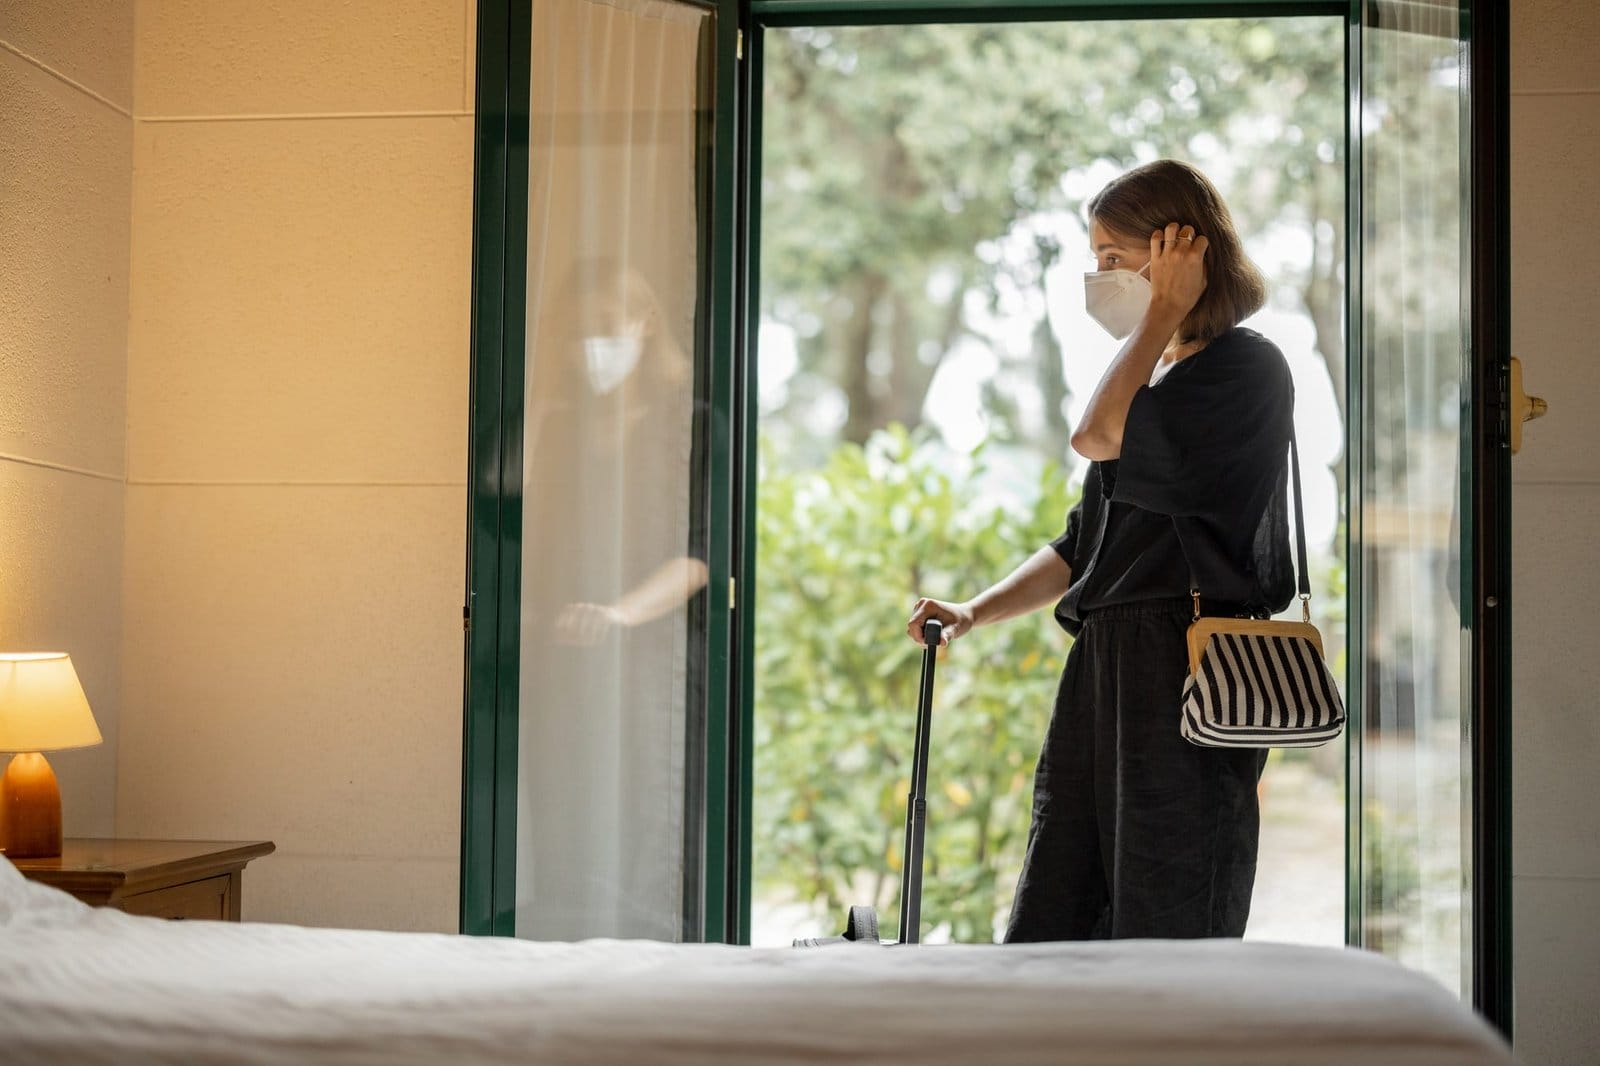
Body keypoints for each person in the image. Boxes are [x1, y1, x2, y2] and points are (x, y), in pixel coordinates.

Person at [906, 159, 1296, 941]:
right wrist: (976, 612)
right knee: (1063, 896)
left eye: (1113, 259)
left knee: (1171, 900)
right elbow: (1085, 544)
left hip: (1183, 665)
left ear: (1179, 252)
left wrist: (1159, 319)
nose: (1098, 278)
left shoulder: (1244, 369)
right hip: (1107, 665)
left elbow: (1096, 435)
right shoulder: (1157, 380)